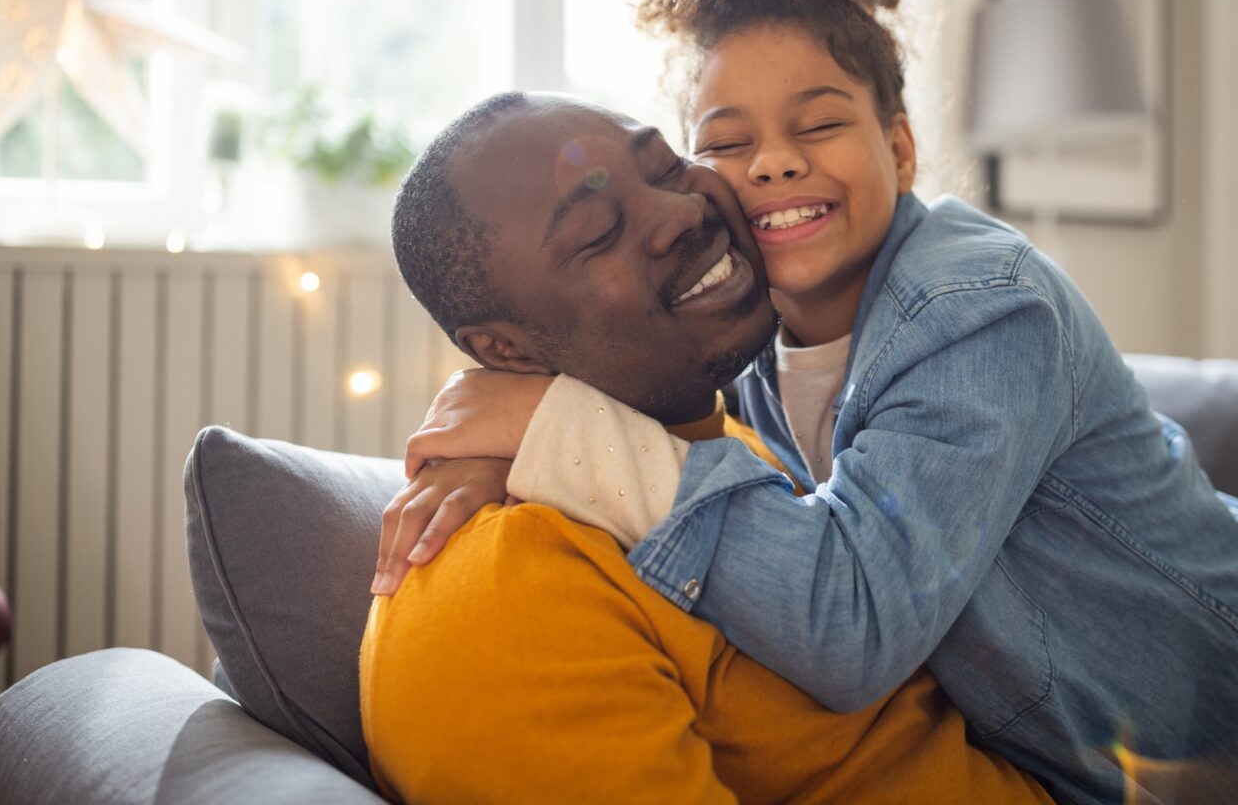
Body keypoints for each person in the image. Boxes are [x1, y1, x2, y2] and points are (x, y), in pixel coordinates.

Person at [380, 0, 1238, 804]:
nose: (773, 162)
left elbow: (852, 622)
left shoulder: (977, 307)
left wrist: (560, 431)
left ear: (900, 150)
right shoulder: (748, 362)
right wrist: (507, 458)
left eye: (820, 123)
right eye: (725, 141)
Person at [359, 92, 1053, 804]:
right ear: (503, 349)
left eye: (664, 167)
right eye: (599, 232)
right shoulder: (499, 607)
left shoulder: (736, 437)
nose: (681, 213)